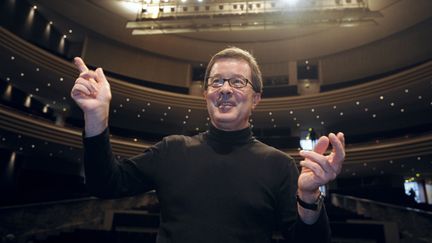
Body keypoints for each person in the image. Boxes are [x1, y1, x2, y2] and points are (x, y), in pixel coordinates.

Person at [71, 47, 345, 243]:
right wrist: (96, 118)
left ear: (256, 98)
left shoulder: (278, 165)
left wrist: (309, 199)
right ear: (206, 95)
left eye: (238, 81)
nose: (225, 89)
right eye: (217, 81)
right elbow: (104, 183)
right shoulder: (172, 150)